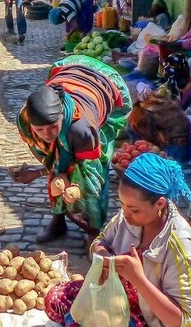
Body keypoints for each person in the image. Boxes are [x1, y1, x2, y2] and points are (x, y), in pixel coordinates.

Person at [11, 58, 131, 242]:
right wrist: (44, 170)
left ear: (62, 115)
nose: (47, 134)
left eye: (52, 127)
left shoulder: (82, 129)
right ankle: (58, 220)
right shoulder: (25, 122)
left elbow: (88, 171)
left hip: (107, 84)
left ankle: (94, 229)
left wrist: (39, 174)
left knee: (91, 179)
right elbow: (51, 157)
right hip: (71, 69)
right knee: (58, 166)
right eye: (40, 130)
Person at [91, 154, 191, 327]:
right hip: (126, 302)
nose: (125, 213)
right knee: (60, 300)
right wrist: (104, 258)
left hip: (156, 320)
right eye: (122, 204)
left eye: (133, 209)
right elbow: (101, 240)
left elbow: (190, 321)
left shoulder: (181, 248)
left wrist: (138, 280)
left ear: (160, 203)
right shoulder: (127, 218)